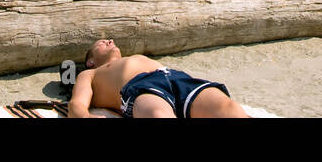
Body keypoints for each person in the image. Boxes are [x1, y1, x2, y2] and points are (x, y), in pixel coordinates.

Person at [72, 39, 248, 118]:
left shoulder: (131, 58)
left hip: (175, 77)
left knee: (229, 108)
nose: (109, 41)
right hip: (141, 87)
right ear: (90, 61)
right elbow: (76, 104)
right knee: (158, 115)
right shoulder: (89, 74)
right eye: (101, 43)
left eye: (109, 39)